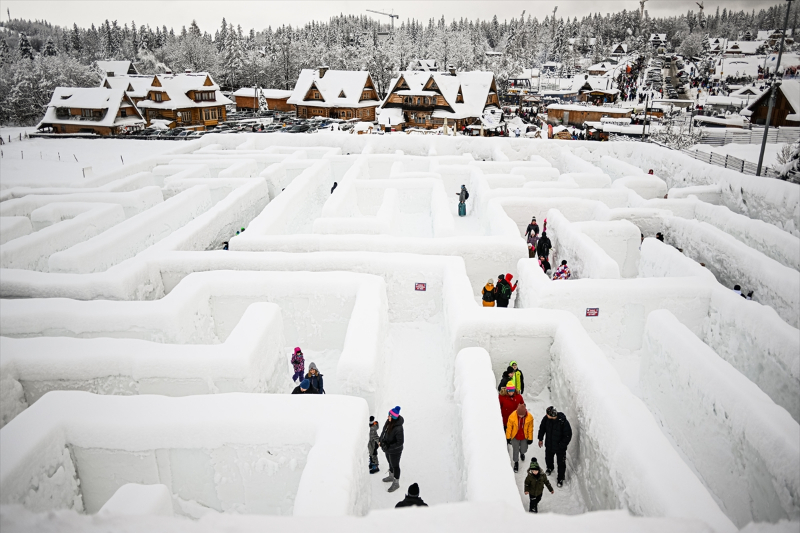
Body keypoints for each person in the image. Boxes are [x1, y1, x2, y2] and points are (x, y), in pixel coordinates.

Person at [537, 406, 572, 487]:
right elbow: (542, 428)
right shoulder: (546, 419)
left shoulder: (563, 422)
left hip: (560, 448)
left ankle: (560, 478)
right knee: (548, 458)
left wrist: (561, 445)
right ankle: (550, 468)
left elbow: (568, 435)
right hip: (549, 444)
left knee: (561, 463)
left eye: (547, 414)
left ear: (552, 415)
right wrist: (540, 439)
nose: (546, 415)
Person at [380, 406, 404, 493]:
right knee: (390, 462)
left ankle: (396, 482)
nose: (387, 417)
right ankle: (391, 475)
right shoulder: (389, 422)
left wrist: (388, 447)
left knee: (395, 465)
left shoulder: (398, 428)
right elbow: (384, 430)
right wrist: (381, 440)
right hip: (388, 449)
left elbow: (400, 442)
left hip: (395, 451)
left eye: (389, 415)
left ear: (393, 417)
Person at [506, 403, 534, 472]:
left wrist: (530, 438)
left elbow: (530, 429)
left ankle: (522, 453)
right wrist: (508, 437)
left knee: (524, 448)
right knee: (515, 450)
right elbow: (509, 428)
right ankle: (516, 462)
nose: (521, 416)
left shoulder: (529, 417)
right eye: (519, 415)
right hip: (515, 436)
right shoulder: (512, 416)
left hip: (524, 436)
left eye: (522, 415)